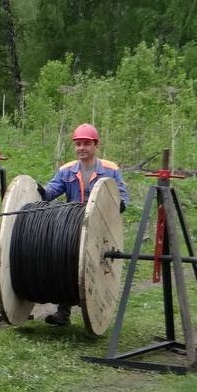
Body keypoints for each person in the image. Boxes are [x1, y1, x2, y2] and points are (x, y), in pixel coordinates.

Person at [35, 122, 130, 326]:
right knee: (64, 264)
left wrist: (118, 205)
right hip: (73, 228)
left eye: (86, 144)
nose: (81, 148)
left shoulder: (111, 170)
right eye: (78, 144)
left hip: (100, 230)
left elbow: (122, 196)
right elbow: (53, 190)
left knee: (93, 269)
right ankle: (63, 312)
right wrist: (41, 191)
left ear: (96, 145)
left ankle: (95, 310)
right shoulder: (67, 170)